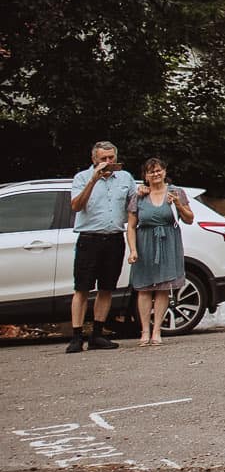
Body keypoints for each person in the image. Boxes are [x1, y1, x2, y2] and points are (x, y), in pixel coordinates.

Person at [66, 142, 135, 353]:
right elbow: (76, 206)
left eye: (111, 158)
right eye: (104, 158)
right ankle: (77, 336)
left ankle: (97, 334)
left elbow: (133, 205)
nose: (108, 162)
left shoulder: (125, 178)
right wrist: (93, 181)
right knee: (82, 288)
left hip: (114, 238)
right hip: (89, 238)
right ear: (94, 159)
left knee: (106, 288)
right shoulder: (81, 178)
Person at [124, 157, 191, 346]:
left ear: (165, 171)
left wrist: (178, 204)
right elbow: (131, 226)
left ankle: (157, 331)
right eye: (151, 171)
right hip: (145, 242)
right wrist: (133, 250)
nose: (156, 174)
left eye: (159, 170)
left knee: (163, 288)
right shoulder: (139, 196)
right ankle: (144, 331)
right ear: (145, 176)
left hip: (168, 241)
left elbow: (189, 218)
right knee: (144, 288)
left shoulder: (175, 192)